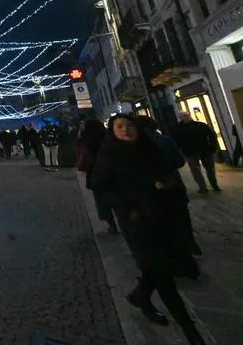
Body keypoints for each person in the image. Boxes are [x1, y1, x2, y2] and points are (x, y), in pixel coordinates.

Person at [92, 114, 206, 344]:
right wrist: (126, 206)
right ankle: (190, 330)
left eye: (130, 125)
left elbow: (170, 173)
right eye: (120, 126)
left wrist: (166, 184)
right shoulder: (109, 156)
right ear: (112, 131)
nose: (126, 129)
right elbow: (99, 187)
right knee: (162, 274)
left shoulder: (149, 149)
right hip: (137, 223)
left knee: (156, 266)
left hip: (164, 217)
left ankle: (140, 296)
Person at [136, 115, 201, 257]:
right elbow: (179, 162)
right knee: (182, 216)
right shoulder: (165, 140)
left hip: (154, 191)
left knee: (165, 220)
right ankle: (190, 242)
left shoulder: (137, 146)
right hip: (173, 183)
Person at [77, 118, 117, 234]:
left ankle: (111, 223)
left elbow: (81, 158)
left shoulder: (85, 140)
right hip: (112, 171)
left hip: (95, 173)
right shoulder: (108, 137)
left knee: (101, 200)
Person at [173, 111, 221, 195]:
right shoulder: (178, 128)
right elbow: (177, 141)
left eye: (187, 115)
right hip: (191, 153)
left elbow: (211, 135)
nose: (186, 117)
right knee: (196, 170)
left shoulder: (201, 125)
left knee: (210, 169)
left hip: (205, 151)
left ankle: (214, 185)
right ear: (180, 118)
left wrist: (212, 147)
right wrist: (182, 150)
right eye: (183, 116)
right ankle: (203, 187)